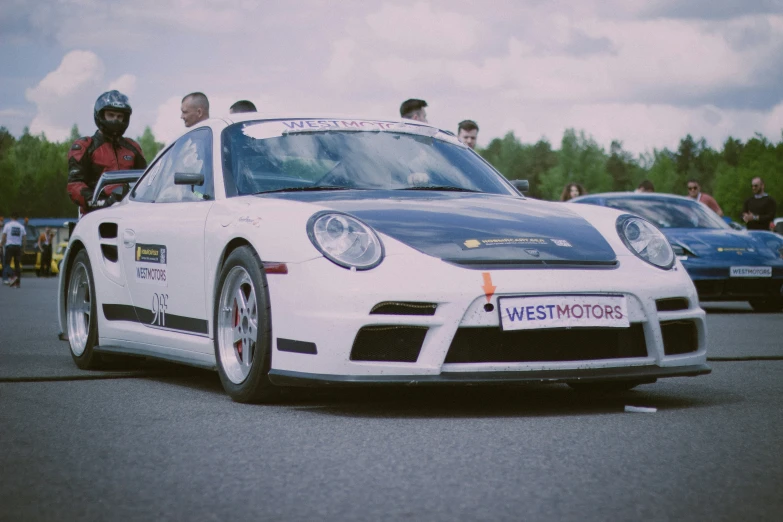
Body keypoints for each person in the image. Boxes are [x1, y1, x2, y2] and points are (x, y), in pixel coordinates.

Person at [67, 90, 147, 215]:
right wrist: (100, 202)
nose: (115, 120)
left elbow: (146, 181)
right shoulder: (85, 146)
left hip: (129, 212)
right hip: (94, 213)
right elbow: (74, 185)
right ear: (100, 115)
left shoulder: (133, 147)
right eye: (111, 115)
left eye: (120, 117)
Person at [1, 212, 26, 288]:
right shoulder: (21, 226)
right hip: (18, 246)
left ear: (11, 217)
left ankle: (12, 276)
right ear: (17, 218)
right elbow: (24, 238)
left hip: (10, 246)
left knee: (6, 263)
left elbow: (4, 236)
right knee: (17, 264)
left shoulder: (7, 225)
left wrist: (1, 244)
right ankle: (17, 282)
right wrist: (23, 248)